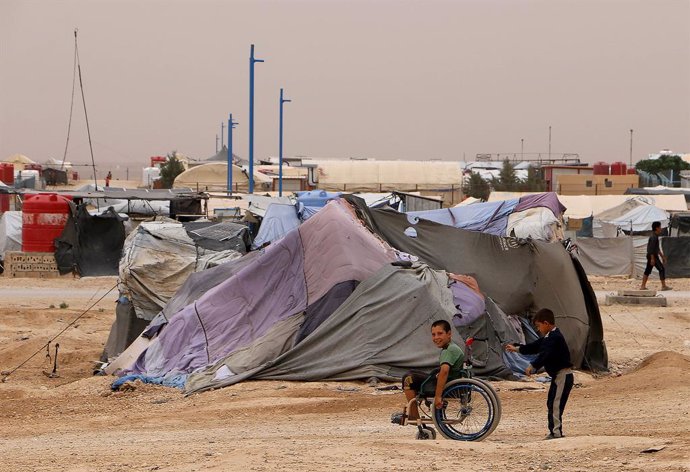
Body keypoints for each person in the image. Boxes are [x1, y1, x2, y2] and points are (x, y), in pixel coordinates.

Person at [505, 308, 573, 440]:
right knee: (551, 402)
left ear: (546, 323)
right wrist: (517, 348)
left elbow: (545, 354)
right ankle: (554, 431)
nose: (538, 329)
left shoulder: (555, 338)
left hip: (563, 376)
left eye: (538, 326)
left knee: (555, 404)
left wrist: (533, 366)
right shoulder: (549, 337)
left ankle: (556, 433)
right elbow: (535, 346)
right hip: (558, 376)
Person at [391, 319, 464, 424]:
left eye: (440, 334)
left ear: (449, 334)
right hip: (450, 382)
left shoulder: (450, 350)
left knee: (408, 378)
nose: (436, 338)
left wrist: (438, 396)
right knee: (412, 373)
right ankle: (414, 412)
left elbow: (444, 372)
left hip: (446, 385)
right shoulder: (452, 348)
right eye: (433, 335)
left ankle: (414, 416)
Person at [640, 221, 671, 291]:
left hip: (652, 255)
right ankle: (663, 286)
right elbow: (651, 249)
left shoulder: (655, 236)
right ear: (657, 228)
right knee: (661, 269)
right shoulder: (653, 237)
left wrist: (662, 256)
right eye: (660, 227)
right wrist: (652, 259)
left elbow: (657, 248)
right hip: (652, 255)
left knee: (648, 270)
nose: (661, 228)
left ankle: (643, 286)